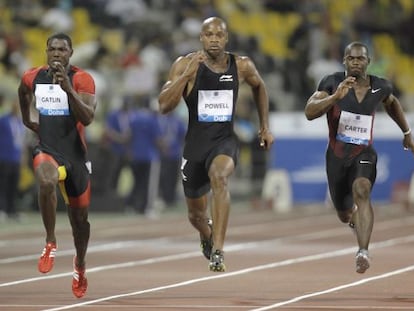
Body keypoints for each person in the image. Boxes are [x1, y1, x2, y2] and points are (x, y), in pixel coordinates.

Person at [158, 17, 274, 272]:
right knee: (195, 216)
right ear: (201, 38)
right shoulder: (185, 64)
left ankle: (218, 250)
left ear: (226, 38)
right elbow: (164, 105)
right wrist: (186, 76)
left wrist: (264, 126)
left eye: (219, 35)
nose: (213, 39)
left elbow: (260, 86)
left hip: (224, 142)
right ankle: (206, 233)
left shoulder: (241, 65)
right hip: (195, 146)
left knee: (219, 177)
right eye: (208, 34)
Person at [305, 41, 414, 274]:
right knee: (344, 214)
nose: (355, 62)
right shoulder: (331, 82)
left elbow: (392, 104)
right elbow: (309, 112)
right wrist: (335, 97)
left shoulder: (381, 87)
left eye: (360, 58)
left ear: (368, 62)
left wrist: (407, 133)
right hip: (336, 156)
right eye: (351, 58)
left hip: (364, 152)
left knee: (362, 189)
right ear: (344, 61)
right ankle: (353, 219)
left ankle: (363, 251)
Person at [18, 33, 97, 298]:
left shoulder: (82, 79)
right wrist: (28, 120)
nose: (56, 54)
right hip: (48, 149)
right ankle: (50, 241)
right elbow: (22, 91)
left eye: (62, 50)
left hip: (75, 156)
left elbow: (87, 119)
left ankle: (81, 264)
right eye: (52, 49)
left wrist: (68, 90)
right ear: (46, 51)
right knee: (45, 180)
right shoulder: (33, 76)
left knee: (80, 223)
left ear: (71, 53)